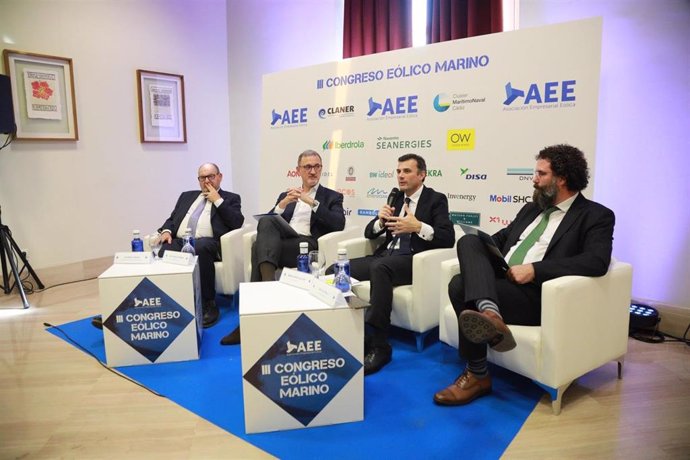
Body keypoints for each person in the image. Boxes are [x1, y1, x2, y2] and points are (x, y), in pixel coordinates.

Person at [433, 144, 615, 406]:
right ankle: (490, 313)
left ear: (561, 179)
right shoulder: (531, 209)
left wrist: (534, 270)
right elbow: (501, 239)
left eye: (541, 174)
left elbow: (596, 261)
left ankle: (477, 374)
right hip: (502, 281)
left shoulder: (596, 215)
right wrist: (483, 247)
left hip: (537, 294)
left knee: (459, 286)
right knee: (468, 242)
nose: (534, 179)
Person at [220, 149, 345, 345]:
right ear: (298, 171)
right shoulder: (286, 194)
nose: (312, 171)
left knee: (257, 249)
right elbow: (267, 222)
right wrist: (283, 204)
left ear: (321, 169)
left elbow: (338, 224)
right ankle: (269, 290)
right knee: (265, 227)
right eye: (307, 167)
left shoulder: (332, 197)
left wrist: (311, 202)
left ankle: (248, 320)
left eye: (317, 166)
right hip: (284, 242)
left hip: (306, 244)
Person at [350, 153, 455, 375]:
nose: (400, 176)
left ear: (422, 175)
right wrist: (380, 221)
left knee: (381, 268)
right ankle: (352, 334)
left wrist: (417, 227)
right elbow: (369, 234)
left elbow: (447, 238)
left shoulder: (436, 199)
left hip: (413, 261)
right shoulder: (396, 198)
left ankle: (380, 345)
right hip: (385, 256)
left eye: (406, 171)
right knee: (337, 269)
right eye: (398, 171)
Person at [158, 162, 244, 328]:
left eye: (211, 176)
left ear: (219, 177)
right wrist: (166, 231)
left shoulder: (231, 198)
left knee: (201, 247)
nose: (207, 181)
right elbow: (172, 218)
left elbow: (236, 223)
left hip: (209, 242)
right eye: (202, 177)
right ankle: (166, 301)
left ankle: (208, 303)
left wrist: (218, 201)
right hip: (181, 240)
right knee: (164, 250)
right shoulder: (186, 196)